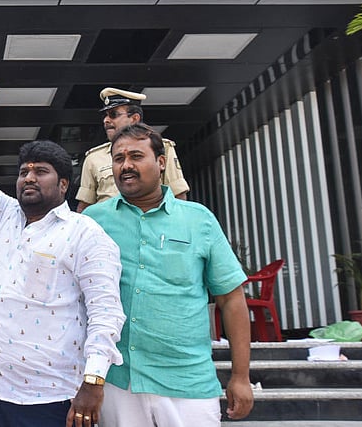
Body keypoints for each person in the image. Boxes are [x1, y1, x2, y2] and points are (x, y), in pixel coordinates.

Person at [0, 83, 126, 427]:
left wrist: (94, 382)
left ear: (64, 184)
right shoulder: (5, 215)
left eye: (41, 171)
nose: (29, 178)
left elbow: (106, 313)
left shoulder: (84, 233)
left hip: (53, 395)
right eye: (23, 172)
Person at [83, 124, 253, 426]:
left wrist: (240, 376)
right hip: (118, 380)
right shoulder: (93, 221)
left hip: (186, 379)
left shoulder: (198, 219)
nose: (126, 165)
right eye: (118, 158)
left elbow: (231, 298)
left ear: (161, 162)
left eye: (136, 156)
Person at [76, 88, 189, 212]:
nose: (106, 120)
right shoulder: (93, 157)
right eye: (105, 116)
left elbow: (178, 195)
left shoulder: (162, 148)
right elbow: (85, 206)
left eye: (113, 114)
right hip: (108, 228)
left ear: (134, 119)